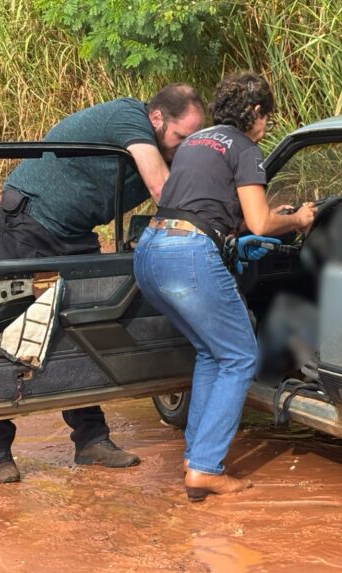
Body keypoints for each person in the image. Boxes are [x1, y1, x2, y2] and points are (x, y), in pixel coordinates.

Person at [0, 83, 206, 483]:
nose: (184, 146)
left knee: (84, 330)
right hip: (30, 221)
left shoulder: (161, 143)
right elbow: (163, 190)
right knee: (13, 334)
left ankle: (91, 440)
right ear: (156, 118)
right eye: (180, 137)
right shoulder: (128, 118)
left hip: (75, 230)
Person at [133, 71, 316, 501]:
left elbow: (212, 207)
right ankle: (204, 469)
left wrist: (263, 220)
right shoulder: (246, 147)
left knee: (212, 353)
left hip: (152, 249)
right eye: (266, 117)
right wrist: (298, 219)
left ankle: (197, 455)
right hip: (188, 255)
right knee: (240, 355)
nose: (266, 126)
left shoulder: (200, 140)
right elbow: (261, 223)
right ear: (254, 113)